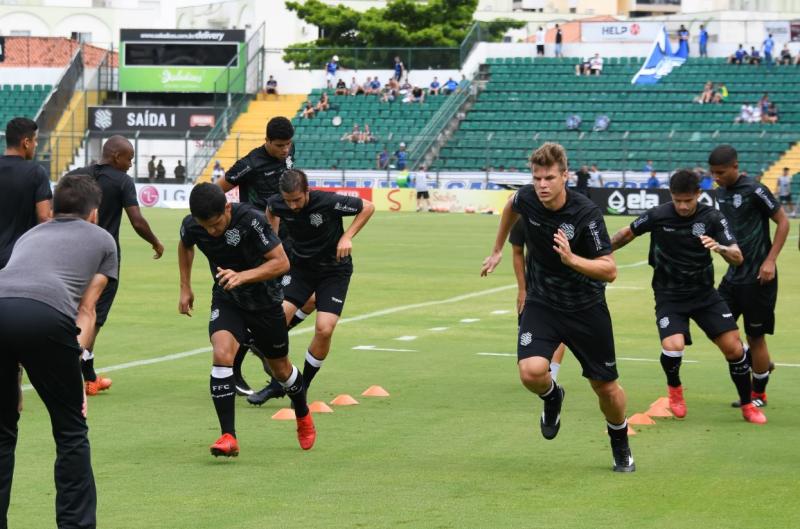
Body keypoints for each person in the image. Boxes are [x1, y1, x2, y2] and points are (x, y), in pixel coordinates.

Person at [481, 142, 634, 472]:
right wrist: (496, 250)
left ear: (565, 176)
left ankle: (620, 440)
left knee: (605, 388)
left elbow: (610, 270)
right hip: (543, 303)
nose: (542, 185)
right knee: (530, 372)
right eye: (537, 178)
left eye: (549, 178)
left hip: (586, 308)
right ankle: (552, 396)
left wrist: (572, 259)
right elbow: (510, 206)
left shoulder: (586, 215)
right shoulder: (527, 198)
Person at [0, 174, 118, 529]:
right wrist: (74, 359)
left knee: (2, 430)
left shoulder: (31, 234)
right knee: (70, 431)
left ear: (52, 209)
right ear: (94, 213)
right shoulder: (103, 239)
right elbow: (87, 310)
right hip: (46, 317)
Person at [610, 169, 766, 424]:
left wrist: (720, 247)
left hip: (704, 295)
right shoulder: (658, 215)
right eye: (677, 200)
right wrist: (598, 253)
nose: (682, 206)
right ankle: (675, 391)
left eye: (688, 200)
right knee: (673, 346)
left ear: (698, 194)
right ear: (671, 195)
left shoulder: (712, 217)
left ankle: (748, 405)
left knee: (734, 348)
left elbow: (737, 256)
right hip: (669, 295)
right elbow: (626, 234)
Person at [178, 183, 316, 454]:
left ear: (227, 208)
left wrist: (242, 276)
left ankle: (302, 412)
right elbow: (185, 245)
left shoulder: (251, 220)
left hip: (266, 304)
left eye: (216, 225)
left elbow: (281, 262)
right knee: (221, 353)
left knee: (281, 370)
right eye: (206, 227)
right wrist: (185, 286)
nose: (212, 232)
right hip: (228, 298)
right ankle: (228, 437)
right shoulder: (193, 224)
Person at [248, 170, 375, 405]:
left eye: (297, 199)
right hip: (301, 270)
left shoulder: (327, 201)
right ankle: (279, 382)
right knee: (275, 322)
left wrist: (347, 236)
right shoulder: (278, 203)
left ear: (307, 191)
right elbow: (271, 211)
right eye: (288, 201)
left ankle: (302, 386)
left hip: (334, 271)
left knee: (324, 329)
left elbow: (367, 207)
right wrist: (273, 242)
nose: (293, 206)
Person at [218, 117, 315, 395]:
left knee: (310, 297)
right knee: (265, 307)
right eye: (279, 145)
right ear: (267, 141)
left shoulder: (289, 152)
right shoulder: (249, 163)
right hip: (259, 245)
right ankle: (237, 369)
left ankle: (261, 342)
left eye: (288, 145)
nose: (285, 150)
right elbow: (217, 190)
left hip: (287, 239)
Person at [67, 135, 164, 395]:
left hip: (72, 254)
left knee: (72, 310)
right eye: (129, 159)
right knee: (93, 317)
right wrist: (155, 242)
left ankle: (88, 374)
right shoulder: (122, 181)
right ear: (116, 156)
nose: (131, 164)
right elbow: (137, 220)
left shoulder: (75, 176)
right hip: (104, 259)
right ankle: (75, 372)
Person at [709, 145, 789, 409]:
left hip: (758, 278)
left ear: (735, 166)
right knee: (716, 327)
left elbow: (783, 222)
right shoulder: (720, 192)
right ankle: (759, 362)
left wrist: (770, 261)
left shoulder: (755, 190)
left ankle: (759, 394)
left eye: (720, 172)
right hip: (733, 276)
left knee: (756, 337)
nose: (716, 177)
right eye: (712, 173)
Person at [508, 218, 567, 382]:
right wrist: (522, 289)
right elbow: (517, 252)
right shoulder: (523, 218)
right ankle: (534, 368)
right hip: (534, 285)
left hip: (563, 285)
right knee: (525, 327)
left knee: (558, 330)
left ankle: (552, 375)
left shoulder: (567, 218)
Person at [0, 117, 52, 269]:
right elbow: (44, 217)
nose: (36, 144)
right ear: (26, 142)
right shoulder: (36, 172)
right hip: (20, 258)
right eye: (35, 140)